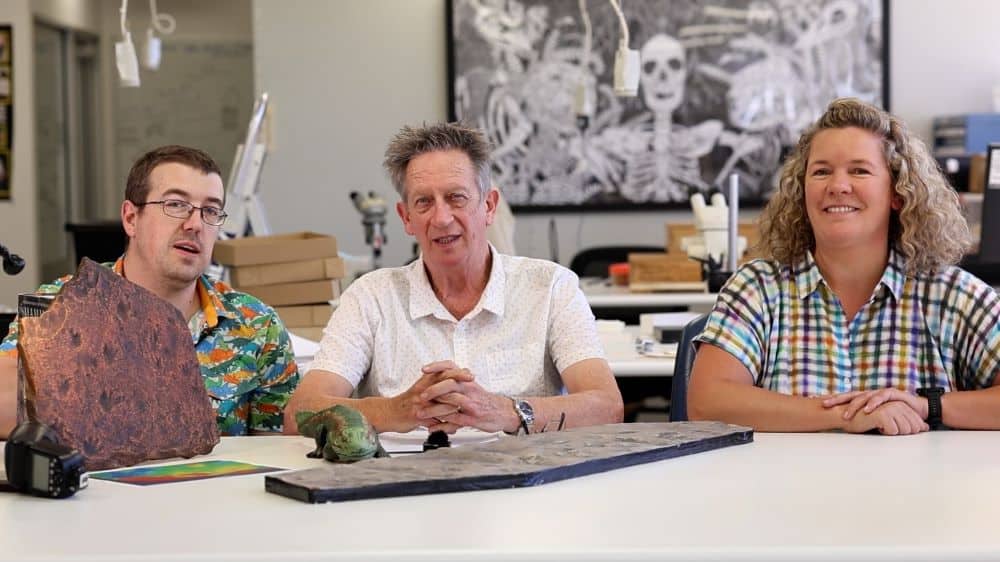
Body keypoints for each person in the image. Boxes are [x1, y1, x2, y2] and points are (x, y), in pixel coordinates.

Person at [285, 122, 623, 434]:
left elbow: (607, 407)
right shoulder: (370, 297)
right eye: (424, 202)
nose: (442, 218)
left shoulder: (550, 288)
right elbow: (300, 413)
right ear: (406, 218)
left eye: (456, 198)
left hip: (523, 486)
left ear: (489, 206)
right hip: (400, 489)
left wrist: (504, 411)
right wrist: (397, 410)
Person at [688, 97, 1000, 435]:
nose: (837, 186)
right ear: (801, 192)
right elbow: (707, 402)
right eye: (821, 171)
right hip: (786, 487)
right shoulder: (758, 288)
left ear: (898, 193)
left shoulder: (953, 295)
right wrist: (847, 415)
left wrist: (927, 406)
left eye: (859, 170)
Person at [0, 145, 299, 437]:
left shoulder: (256, 325)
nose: (195, 224)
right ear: (131, 218)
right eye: (175, 204)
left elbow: (276, 456)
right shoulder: (58, 305)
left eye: (210, 210)